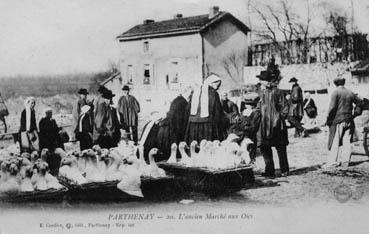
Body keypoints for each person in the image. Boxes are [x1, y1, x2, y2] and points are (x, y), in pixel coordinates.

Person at [257, 66, 290, 177]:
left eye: (263, 80)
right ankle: (269, 170)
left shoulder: (277, 92)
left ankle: (284, 170)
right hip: (263, 125)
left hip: (277, 125)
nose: (261, 82)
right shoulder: (261, 93)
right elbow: (258, 107)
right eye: (260, 80)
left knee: (280, 148)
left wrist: (279, 118)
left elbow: (285, 106)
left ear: (268, 81)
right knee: (265, 148)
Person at [324, 77, 362, 168]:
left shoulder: (335, 92)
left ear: (335, 83)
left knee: (335, 141)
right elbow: (360, 102)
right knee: (347, 142)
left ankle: (332, 162)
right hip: (349, 120)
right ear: (343, 83)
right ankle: (345, 162)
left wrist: (328, 118)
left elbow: (332, 107)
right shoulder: (350, 92)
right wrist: (355, 114)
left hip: (338, 120)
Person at [185, 73, 225, 143]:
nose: (217, 87)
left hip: (193, 125)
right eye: (217, 85)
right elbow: (218, 112)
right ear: (211, 83)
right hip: (207, 125)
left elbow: (188, 109)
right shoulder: (214, 93)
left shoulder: (196, 92)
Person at [228, 93, 261, 165]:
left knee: (249, 151)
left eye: (250, 104)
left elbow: (254, 126)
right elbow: (238, 123)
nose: (248, 106)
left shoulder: (256, 113)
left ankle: (250, 167)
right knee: (240, 152)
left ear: (253, 105)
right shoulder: (244, 112)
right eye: (247, 104)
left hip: (249, 135)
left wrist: (243, 128)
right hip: (241, 135)